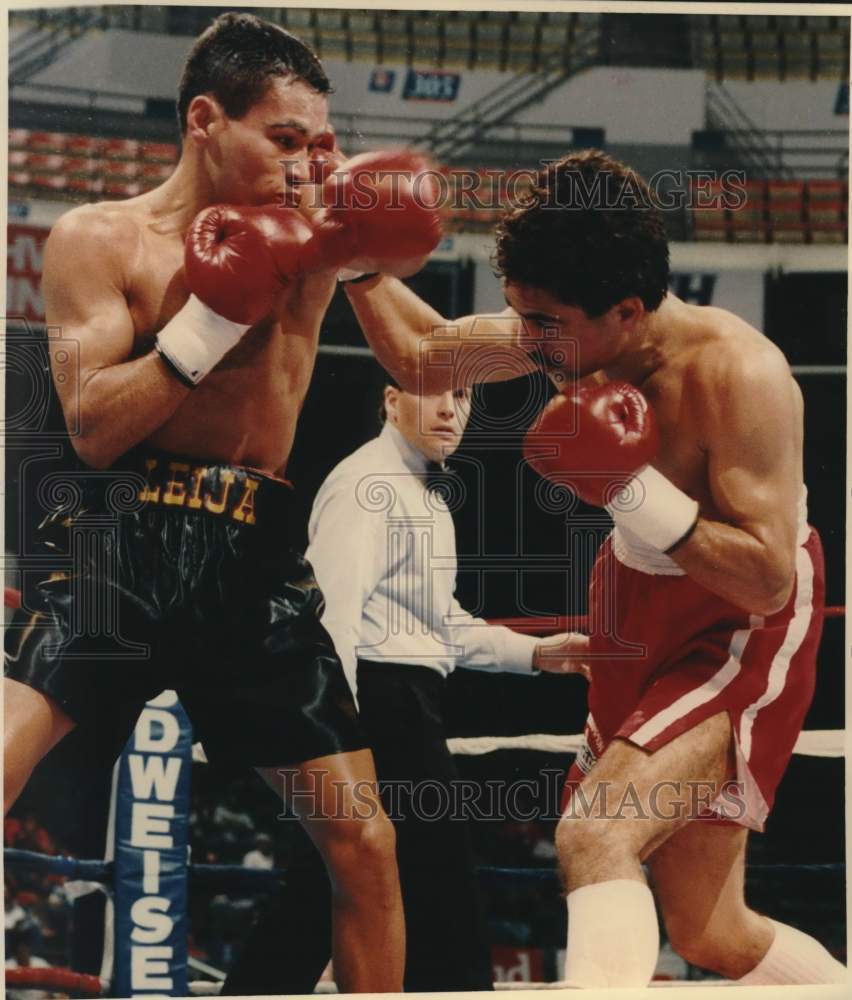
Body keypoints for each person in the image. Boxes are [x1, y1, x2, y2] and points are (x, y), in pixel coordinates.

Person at [3, 12, 443, 991]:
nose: (303, 164)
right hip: (120, 535)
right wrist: (209, 318)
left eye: (316, 144)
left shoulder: (322, 239)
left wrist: (543, 341)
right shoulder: (96, 237)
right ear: (207, 119)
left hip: (252, 553)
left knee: (367, 842)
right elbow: (92, 425)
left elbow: (424, 357)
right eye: (283, 139)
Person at [337, 150, 846, 986]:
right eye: (519, 319)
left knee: (595, 830)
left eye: (544, 326)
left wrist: (627, 485)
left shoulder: (738, 374)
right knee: (713, 933)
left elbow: (767, 580)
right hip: (629, 602)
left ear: (627, 310)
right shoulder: (566, 332)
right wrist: (355, 265)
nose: (526, 343)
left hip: (735, 623)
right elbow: (429, 358)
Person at [223, 381, 581, 994]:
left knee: (322, 896)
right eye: (433, 393)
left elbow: (439, 626)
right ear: (389, 401)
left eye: (464, 396)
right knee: (440, 893)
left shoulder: (425, 495)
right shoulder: (369, 485)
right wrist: (339, 737)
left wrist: (539, 654)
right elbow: (329, 617)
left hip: (401, 703)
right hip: (377, 710)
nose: (450, 409)